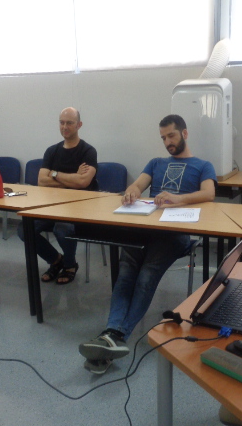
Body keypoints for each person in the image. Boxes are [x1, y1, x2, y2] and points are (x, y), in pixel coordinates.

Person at [79, 114, 216, 374]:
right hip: (145, 227)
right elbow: (138, 184)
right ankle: (112, 335)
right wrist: (131, 192)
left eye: (171, 136)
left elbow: (209, 193)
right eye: (163, 138)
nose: (167, 142)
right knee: (125, 274)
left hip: (175, 233)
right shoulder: (156, 163)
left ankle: (116, 334)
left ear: (185, 134)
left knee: (146, 274)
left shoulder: (203, 165)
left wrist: (177, 199)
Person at [17, 107, 98, 284]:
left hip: (79, 209)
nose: (64, 126)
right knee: (24, 229)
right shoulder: (51, 151)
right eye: (61, 122)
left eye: (69, 123)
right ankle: (55, 260)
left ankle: (70, 265)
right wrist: (72, 178)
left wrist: (54, 174)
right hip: (51, 207)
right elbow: (41, 180)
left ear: (79, 125)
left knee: (62, 229)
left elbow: (83, 182)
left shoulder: (88, 151)